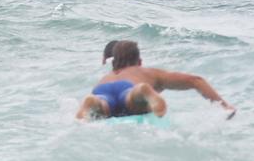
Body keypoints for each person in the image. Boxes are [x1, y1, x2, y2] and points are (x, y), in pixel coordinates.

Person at [77, 40, 235, 120]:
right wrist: (224, 105)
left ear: (113, 63)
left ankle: (94, 103)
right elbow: (196, 80)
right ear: (139, 61)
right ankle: (140, 91)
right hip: (129, 88)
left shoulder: (107, 77)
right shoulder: (143, 72)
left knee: (102, 106)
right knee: (131, 98)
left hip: (101, 91)